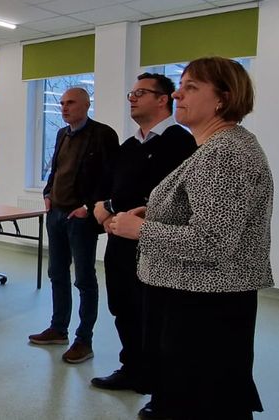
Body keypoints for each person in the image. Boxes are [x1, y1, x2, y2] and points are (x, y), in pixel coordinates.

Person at [108, 57, 273, 420]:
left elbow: (213, 242)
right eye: (181, 86)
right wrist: (155, 212)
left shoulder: (224, 153)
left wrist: (140, 230)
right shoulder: (218, 146)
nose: (177, 95)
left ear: (223, 99)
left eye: (191, 87)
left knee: (200, 401)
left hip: (204, 307)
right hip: (202, 301)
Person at [90, 73, 196, 393]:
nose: (132, 98)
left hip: (155, 246)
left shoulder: (180, 142)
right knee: (123, 307)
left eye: (141, 93)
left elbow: (158, 196)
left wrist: (110, 205)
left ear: (163, 99)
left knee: (154, 314)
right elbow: (110, 185)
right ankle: (132, 368)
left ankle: (157, 380)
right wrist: (102, 207)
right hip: (120, 244)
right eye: (131, 94)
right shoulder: (129, 145)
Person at [29, 87, 118, 364]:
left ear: (86, 105)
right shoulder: (62, 134)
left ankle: (84, 340)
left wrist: (89, 208)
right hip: (56, 213)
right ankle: (58, 328)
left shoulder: (103, 134)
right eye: (62, 103)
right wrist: (47, 193)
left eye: (70, 103)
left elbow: (110, 178)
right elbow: (56, 170)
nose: (64, 108)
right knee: (57, 273)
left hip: (80, 218)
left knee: (84, 279)